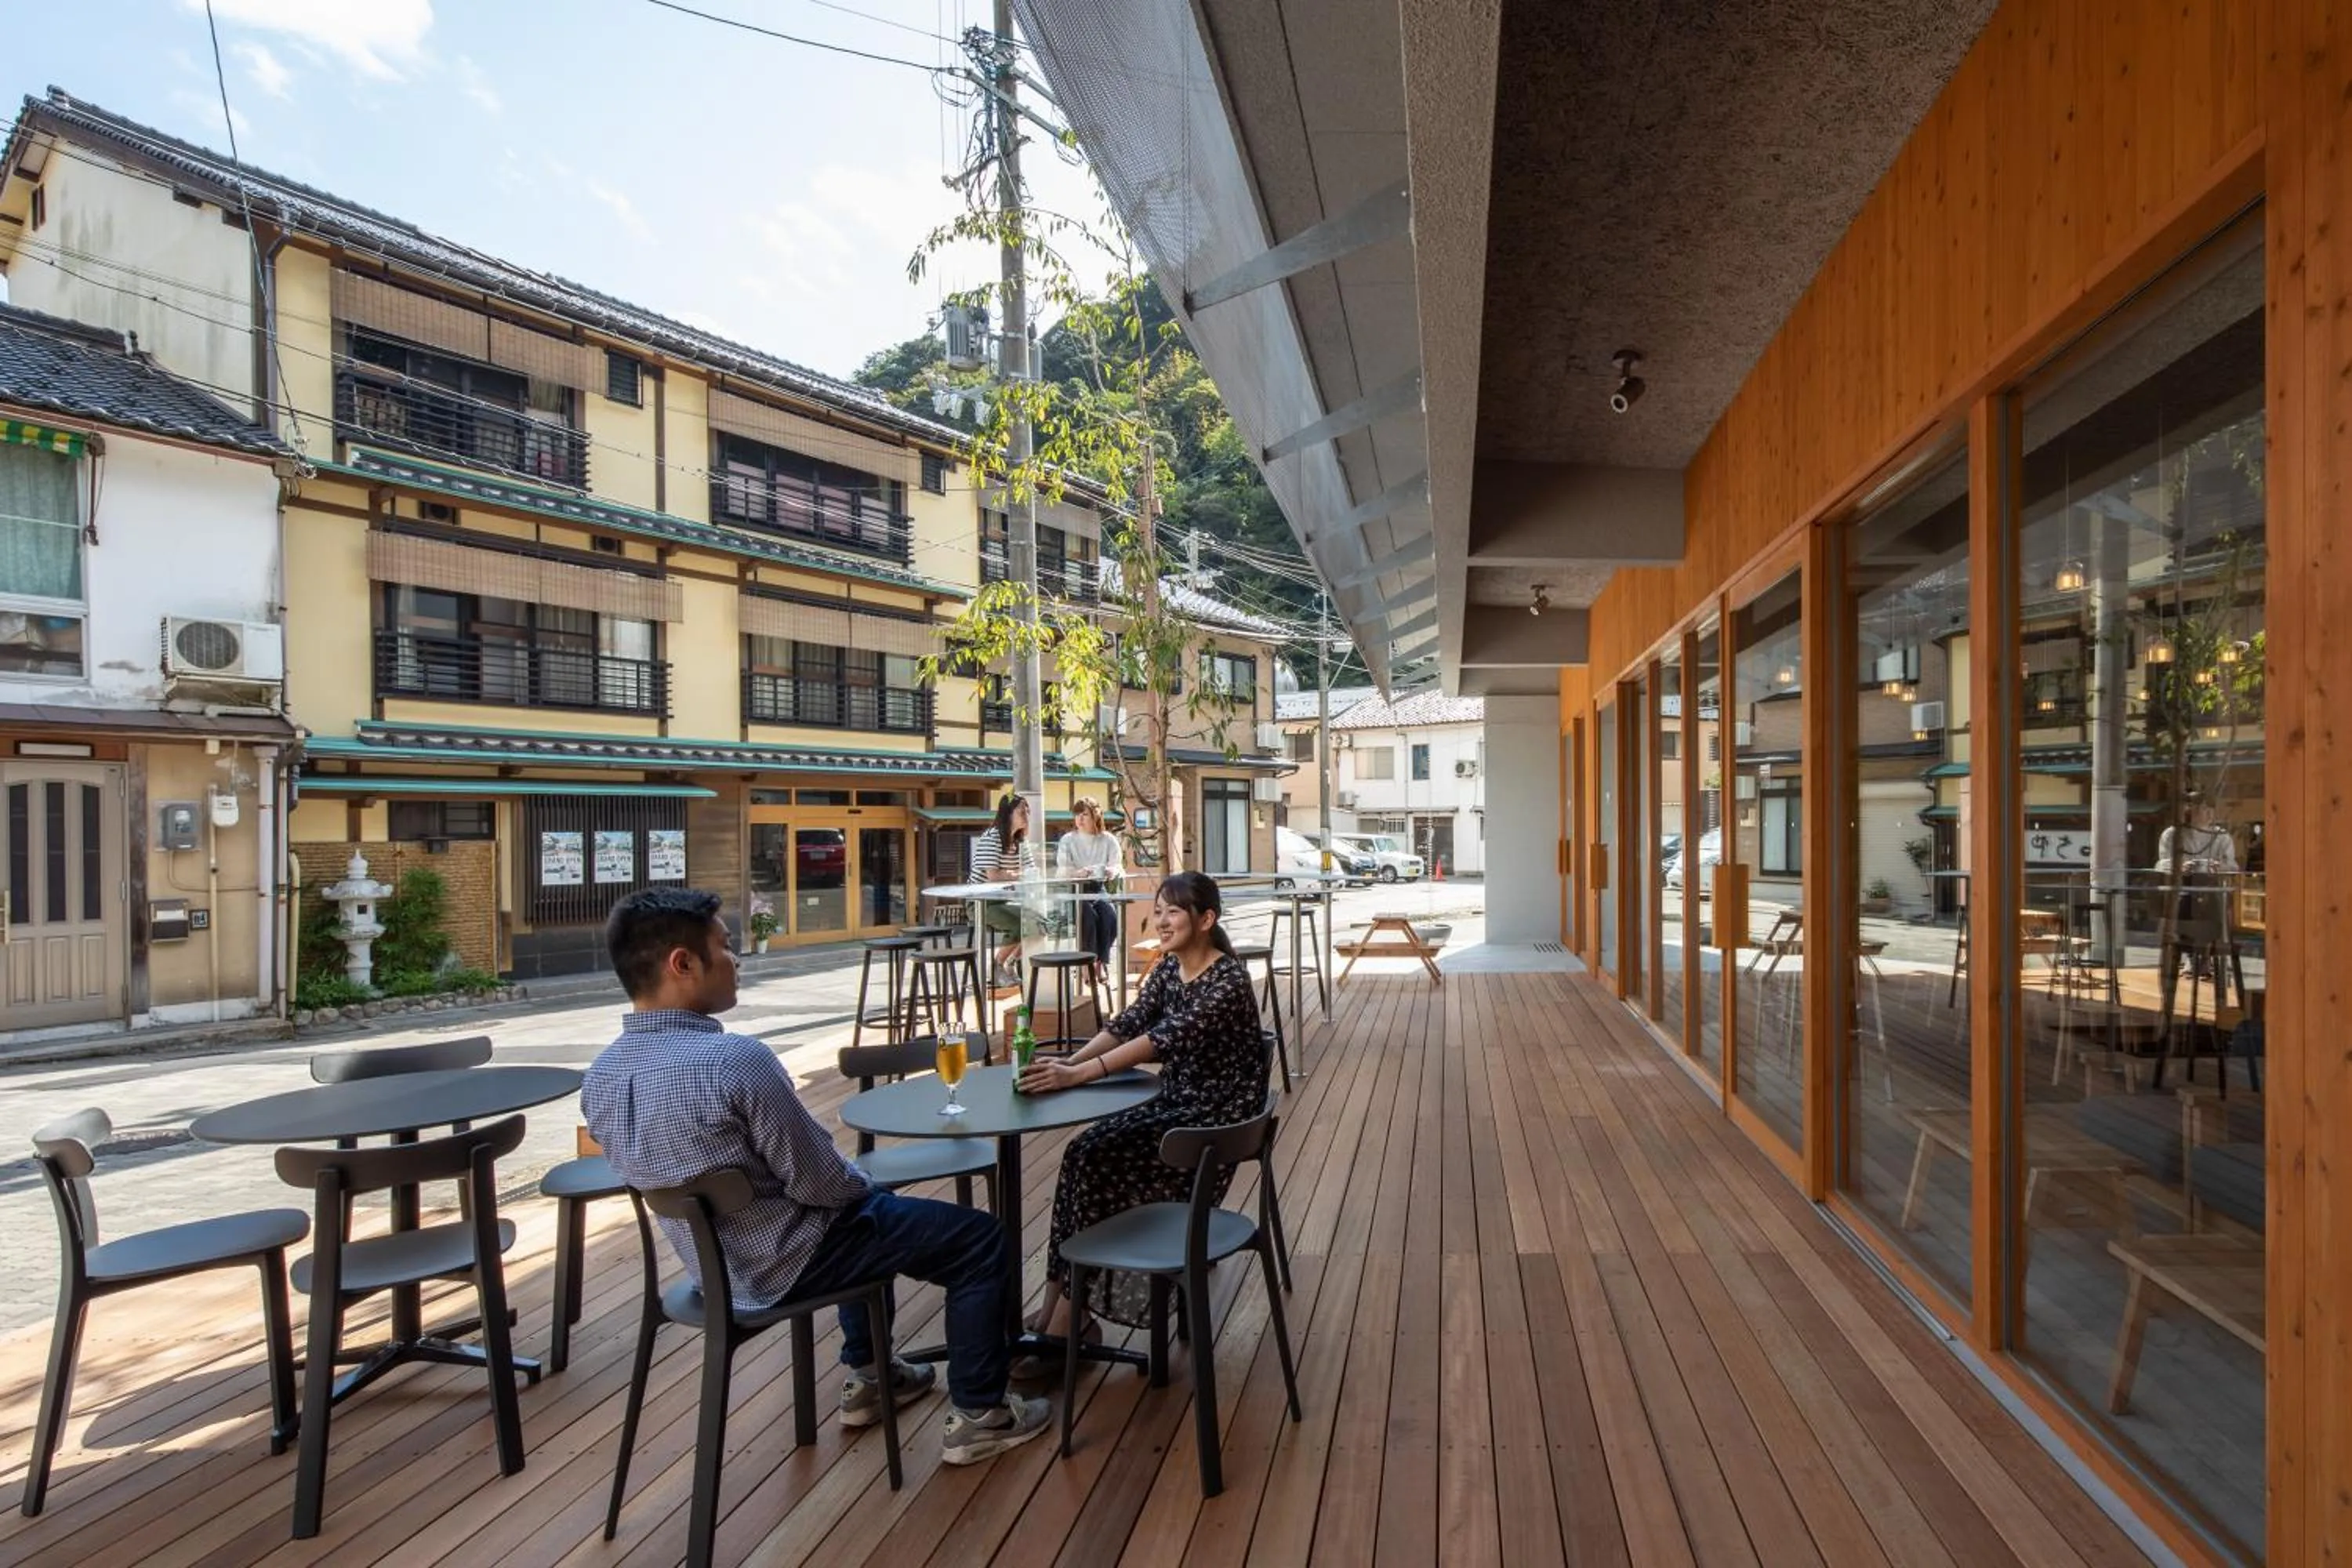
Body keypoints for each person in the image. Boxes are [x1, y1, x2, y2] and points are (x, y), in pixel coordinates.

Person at [582, 887, 1050, 1465]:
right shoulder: (735, 1062)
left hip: (717, 1270)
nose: (736, 962)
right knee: (974, 1238)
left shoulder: (600, 1078)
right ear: (683, 964)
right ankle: (982, 1413)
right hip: (792, 1259)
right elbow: (820, 1184)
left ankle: (875, 1378)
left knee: (866, 1211)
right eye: (726, 949)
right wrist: (864, 1188)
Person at [1015, 872, 1268, 1361]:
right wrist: (1070, 1063)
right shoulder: (1172, 970)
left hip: (1208, 1127)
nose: (1161, 920)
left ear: (1206, 919)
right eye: (1158, 910)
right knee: (1081, 1153)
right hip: (1177, 1106)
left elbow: (1160, 1039)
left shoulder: (1228, 980)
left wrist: (1080, 1074)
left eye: (1173, 911)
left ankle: (1069, 1318)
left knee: (1094, 1156)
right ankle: (1059, 1307)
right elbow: (1129, 1023)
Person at [969, 793, 1032, 986]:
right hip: (980, 902)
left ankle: (1012, 962)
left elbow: (1031, 870)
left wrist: (1024, 874)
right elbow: (992, 876)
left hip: (1006, 900)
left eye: (1028, 810)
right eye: (1022, 810)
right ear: (1008, 813)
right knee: (1021, 923)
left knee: (1041, 920)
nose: (1027, 814)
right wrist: (1018, 875)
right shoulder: (993, 836)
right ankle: (997, 966)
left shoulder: (1021, 841)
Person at [1054, 797, 1122, 970]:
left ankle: (1100, 963)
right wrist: (1080, 873)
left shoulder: (1108, 840)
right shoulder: (1068, 840)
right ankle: (1087, 966)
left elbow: (1117, 865)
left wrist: (1111, 872)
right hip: (1074, 890)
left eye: (1085, 814)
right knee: (1088, 917)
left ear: (1096, 816)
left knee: (1110, 917)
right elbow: (1063, 871)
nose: (1080, 819)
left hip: (1098, 888)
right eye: (1077, 815)